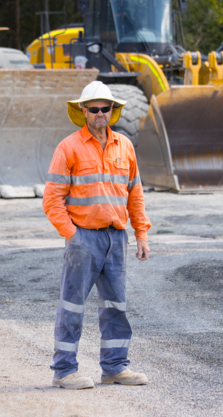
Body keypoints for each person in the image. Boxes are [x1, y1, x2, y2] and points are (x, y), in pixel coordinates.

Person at [42, 81, 151, 390]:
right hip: (83, 239)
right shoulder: (69, 147)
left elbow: (135, 195)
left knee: (116, 306)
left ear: (112, 111)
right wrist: (72, 235)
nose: (101, 113)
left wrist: (141, 233)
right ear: (83, 111)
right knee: (72, 306)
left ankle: (115, 368)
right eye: (94, 109)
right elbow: (52, 200)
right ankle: (64, 371)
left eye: (106, 108)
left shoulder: (125, 146)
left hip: (116, 239)